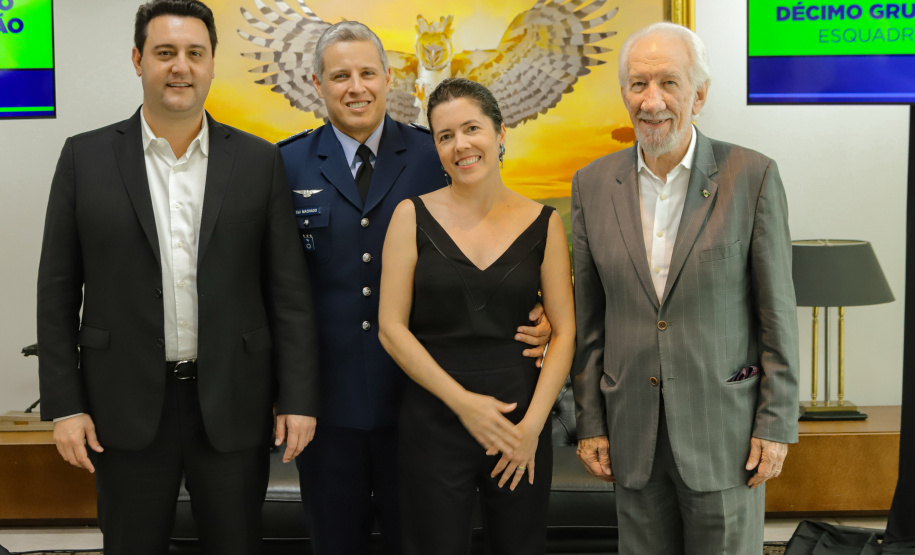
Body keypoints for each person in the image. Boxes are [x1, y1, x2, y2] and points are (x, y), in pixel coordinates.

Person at [36, 1, 319, 553]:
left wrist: (298, 397)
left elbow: (288, 292)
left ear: (212, 63)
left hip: (234, 400)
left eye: (195, 53)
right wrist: (65, 405)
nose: (180, 67)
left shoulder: (259, 161)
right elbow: (56, 293)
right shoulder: (84, 158)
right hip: (122, 404)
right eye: (165, 52)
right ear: (138, 59)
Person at [278, 23, 552, 555]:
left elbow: (489, 239)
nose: (356, 87)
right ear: (317, 84)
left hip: (421, 404)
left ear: (389, 79)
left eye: (367, 73)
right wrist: (287, 396)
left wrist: (530, 304)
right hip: (327, 406)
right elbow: (277, 286)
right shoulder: (286, 164)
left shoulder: (436, 154)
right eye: (340, 76)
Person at [571, 22, 799, 554]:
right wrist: (590, 422)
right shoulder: (592, 184)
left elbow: (778, 316)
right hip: (631, 434)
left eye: (668, 83)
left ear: (699, 95)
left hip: (725, 436)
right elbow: (590, 320)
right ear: (624, 93)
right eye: (638, 84)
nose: (651, 101)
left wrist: (775, 424)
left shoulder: (752, 176)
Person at [378, 77, 575, 555]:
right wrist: (464, 404)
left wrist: (532, 429)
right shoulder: (410, 216)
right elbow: (391, 328)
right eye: (445, 136)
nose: (460, 145)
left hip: (519, 424)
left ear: (500, 133)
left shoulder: (546, 223)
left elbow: (565, 331)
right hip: (435, 421)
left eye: (471, 129)